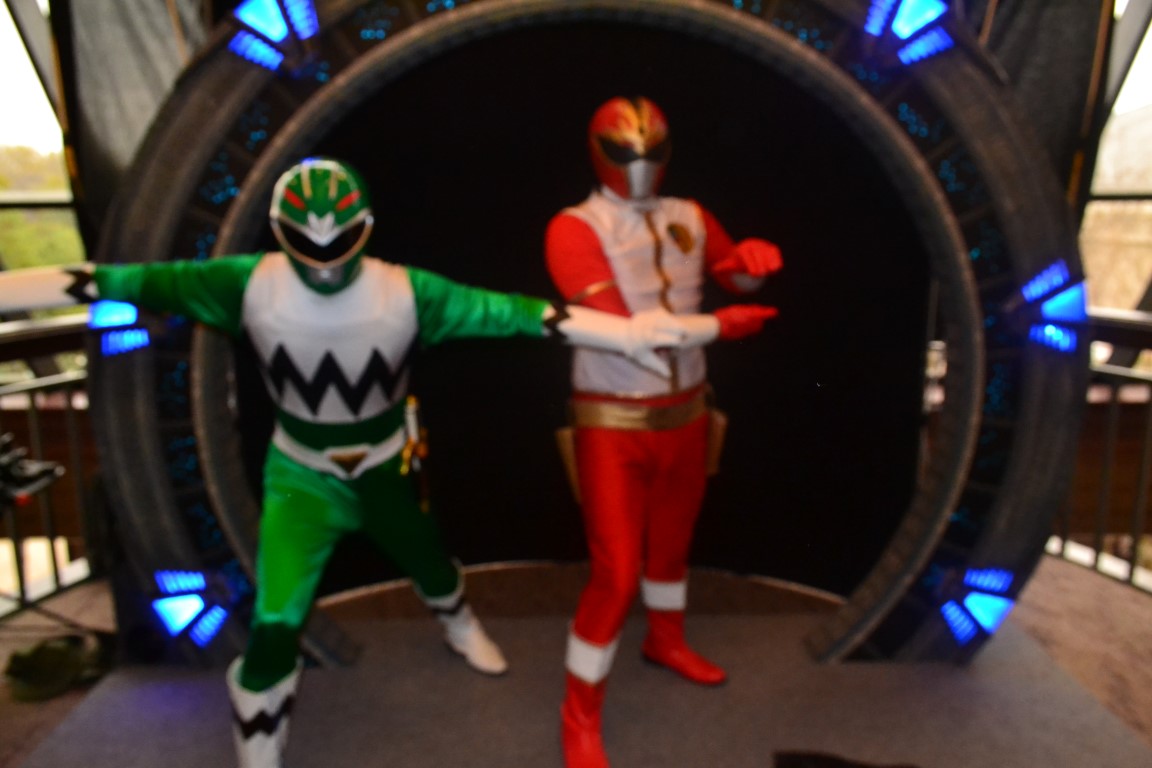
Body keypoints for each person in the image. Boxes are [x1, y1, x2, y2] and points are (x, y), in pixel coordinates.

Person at [0, 157, 741, 768]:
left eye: (339, 241)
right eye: (307, 243)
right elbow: (108, 280)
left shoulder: (402, 291)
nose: (324, 262)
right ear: (283, 234)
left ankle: (459, 624)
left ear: (363, 230)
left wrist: (629, 334)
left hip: (384, 465)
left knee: (429, 562)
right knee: (275, 621)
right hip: (302, 478)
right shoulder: (247, 283)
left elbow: (523, 315)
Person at [545, 97, 784, 768]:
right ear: (597, 152)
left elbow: (731, 274)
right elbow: (630, 333)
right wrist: (723, 326)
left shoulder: (690, 214)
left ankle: (666, 640)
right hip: (612, 418)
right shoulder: (574, 228)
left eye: (652, 153)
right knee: (616, 574)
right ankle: (579, 716)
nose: (641, 167)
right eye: (625, 153)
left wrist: (750, 265)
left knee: (673, 545)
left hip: (688, 412)